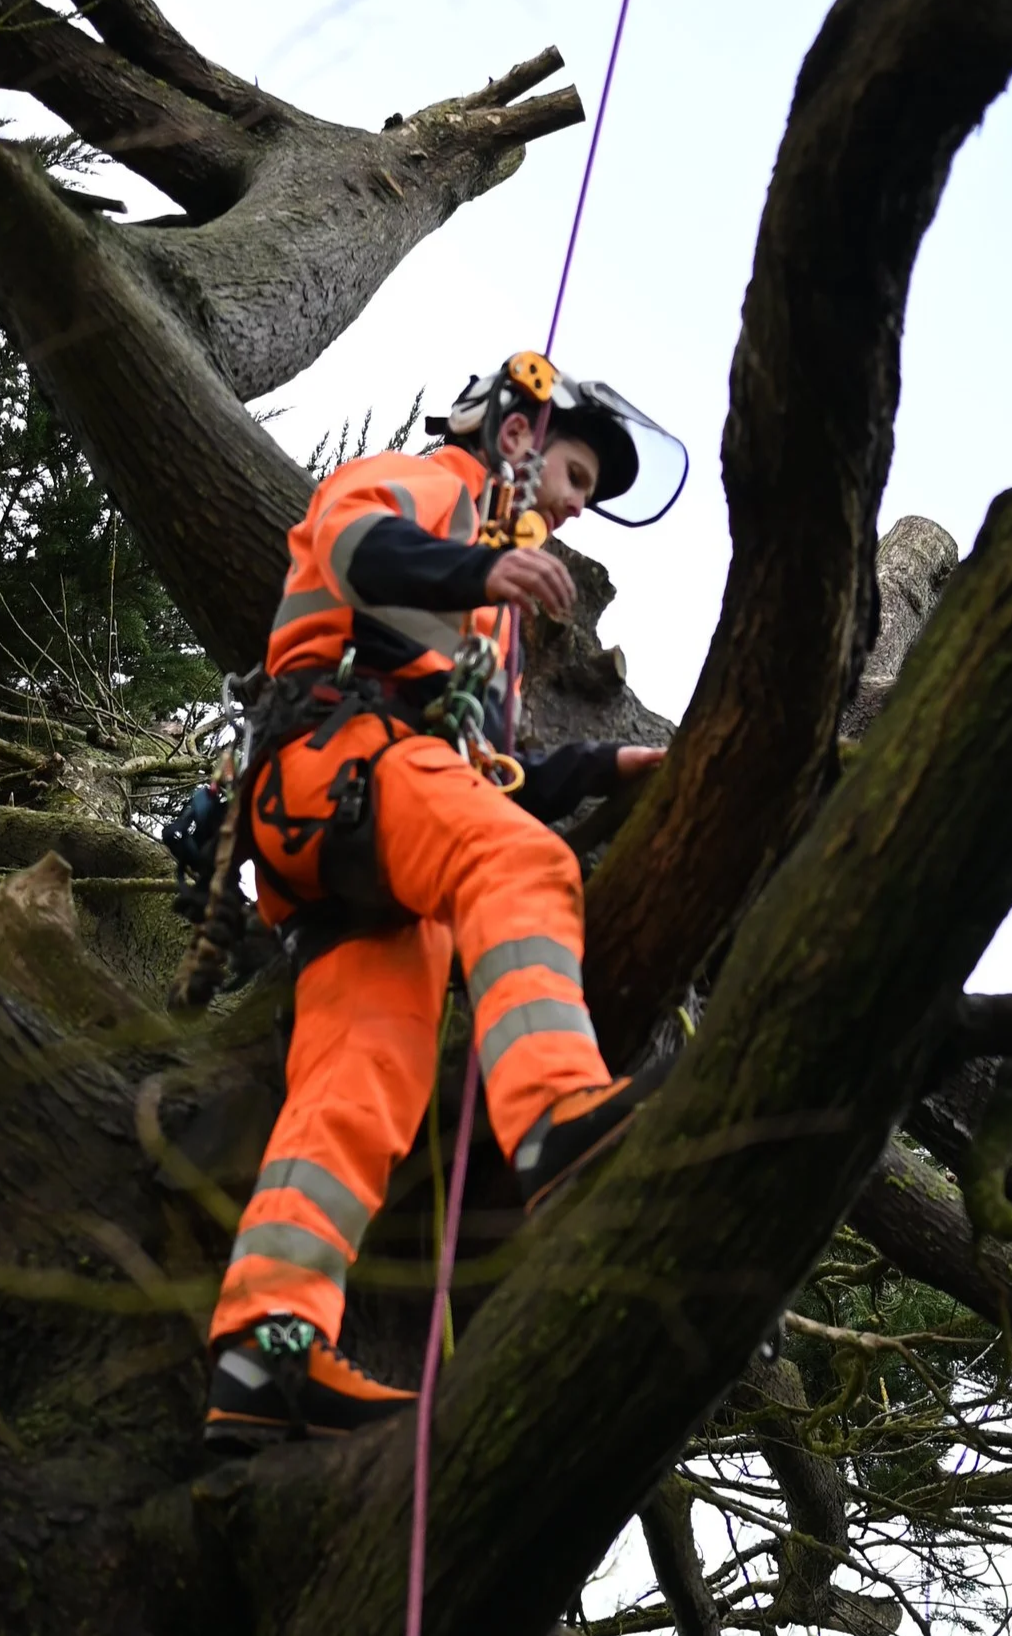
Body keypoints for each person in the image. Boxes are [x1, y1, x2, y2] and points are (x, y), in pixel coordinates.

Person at [203, 355, 680, 1449]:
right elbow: (349, 539)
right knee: (519, 866)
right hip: (345, 764)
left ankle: (262, 1351)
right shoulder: (439, 483)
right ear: (515, 434)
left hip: (359, 829)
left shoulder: (486, 624)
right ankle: (557, 1114)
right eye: (569, 470)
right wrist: (477, 569)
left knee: (359, 1090)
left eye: (585, 495)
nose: (569, 504)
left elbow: (499, 777)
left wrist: (620, 764)